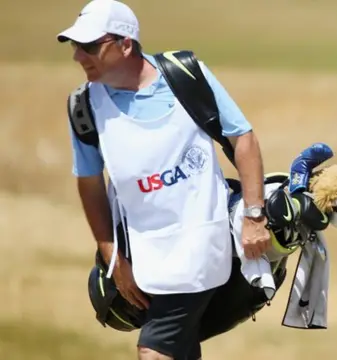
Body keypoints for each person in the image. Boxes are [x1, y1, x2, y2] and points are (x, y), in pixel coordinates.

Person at [56, 0, 271, 359]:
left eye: (90, 46)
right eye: (75, 46)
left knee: (154, 351)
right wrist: (113, 258)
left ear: (126, 44)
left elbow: (242, 138)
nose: (79, 56)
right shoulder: (83, 107)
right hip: (144, 256)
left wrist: (253, 215)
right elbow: (90, 183)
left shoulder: (185, 75)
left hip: (203, 243)